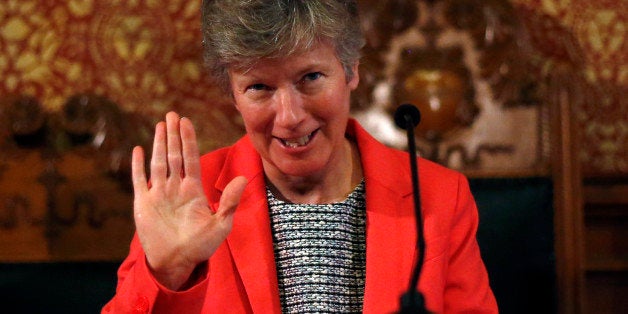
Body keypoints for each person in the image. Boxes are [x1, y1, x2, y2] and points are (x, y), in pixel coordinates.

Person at [103, 0, 497, 313]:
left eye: (310, 78)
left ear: (351, 71)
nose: (290, 117)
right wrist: (167, 274)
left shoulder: (439, 196)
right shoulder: (187, 198)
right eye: (259, 86)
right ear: (233, 94)